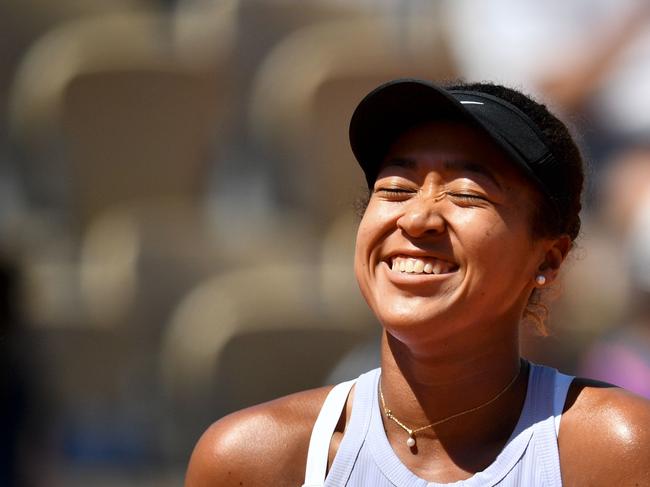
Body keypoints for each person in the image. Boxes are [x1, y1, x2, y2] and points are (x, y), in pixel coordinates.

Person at [184, 79, 650, 486]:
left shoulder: (618, 451)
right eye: (396, 189)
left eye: (468, 193)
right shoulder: (249, 461)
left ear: (548, 258)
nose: (419, 217)